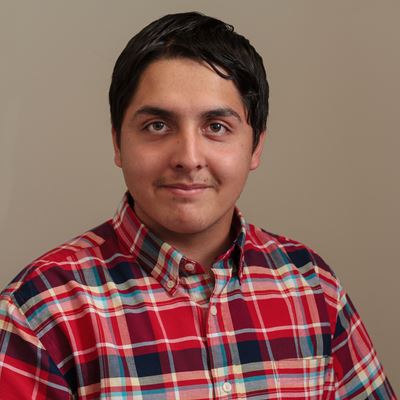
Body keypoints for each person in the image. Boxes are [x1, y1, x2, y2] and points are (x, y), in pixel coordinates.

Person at [0, 11, 395, 400]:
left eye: (216, 127)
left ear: (255, 146)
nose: (188, 158)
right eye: (158, 126)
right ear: (118, 142)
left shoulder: (312, 287)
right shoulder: (39, 312)